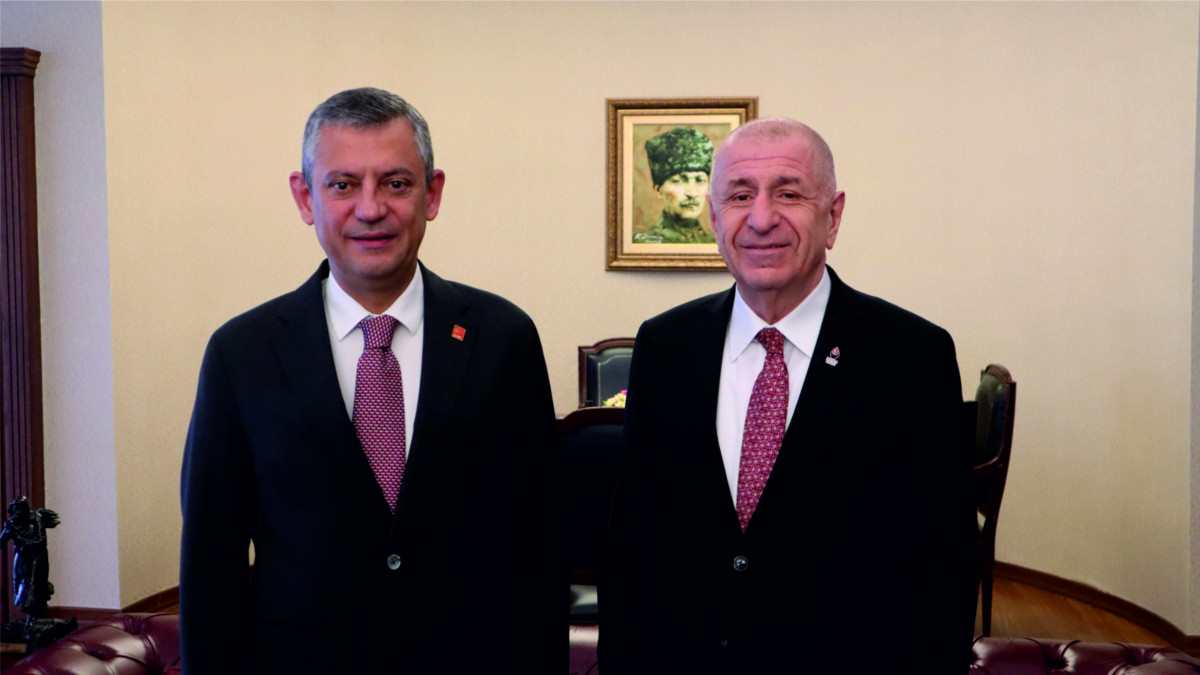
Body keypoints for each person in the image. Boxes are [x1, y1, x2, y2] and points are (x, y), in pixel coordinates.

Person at [180, 88, 558, 674]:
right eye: (343, 184)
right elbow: (212, 563)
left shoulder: (503, 339)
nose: (370, 208)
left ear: (432, 194)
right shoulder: (243, 353)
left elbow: (538, 544)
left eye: (396, 183)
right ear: (305, 198)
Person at [602, 118, 978, 673]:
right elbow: (633, 545)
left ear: (833, 216)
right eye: (739, 196)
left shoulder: (912, 357)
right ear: (714, 219)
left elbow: (945, 565)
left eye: (789, 194)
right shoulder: (665, 345)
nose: (761, 219)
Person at [632, 126, 715, 244]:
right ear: (658, 190)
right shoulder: (643, 243)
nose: (692, 193)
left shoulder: (716, 244)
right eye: (679, 181)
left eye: (699, 180)